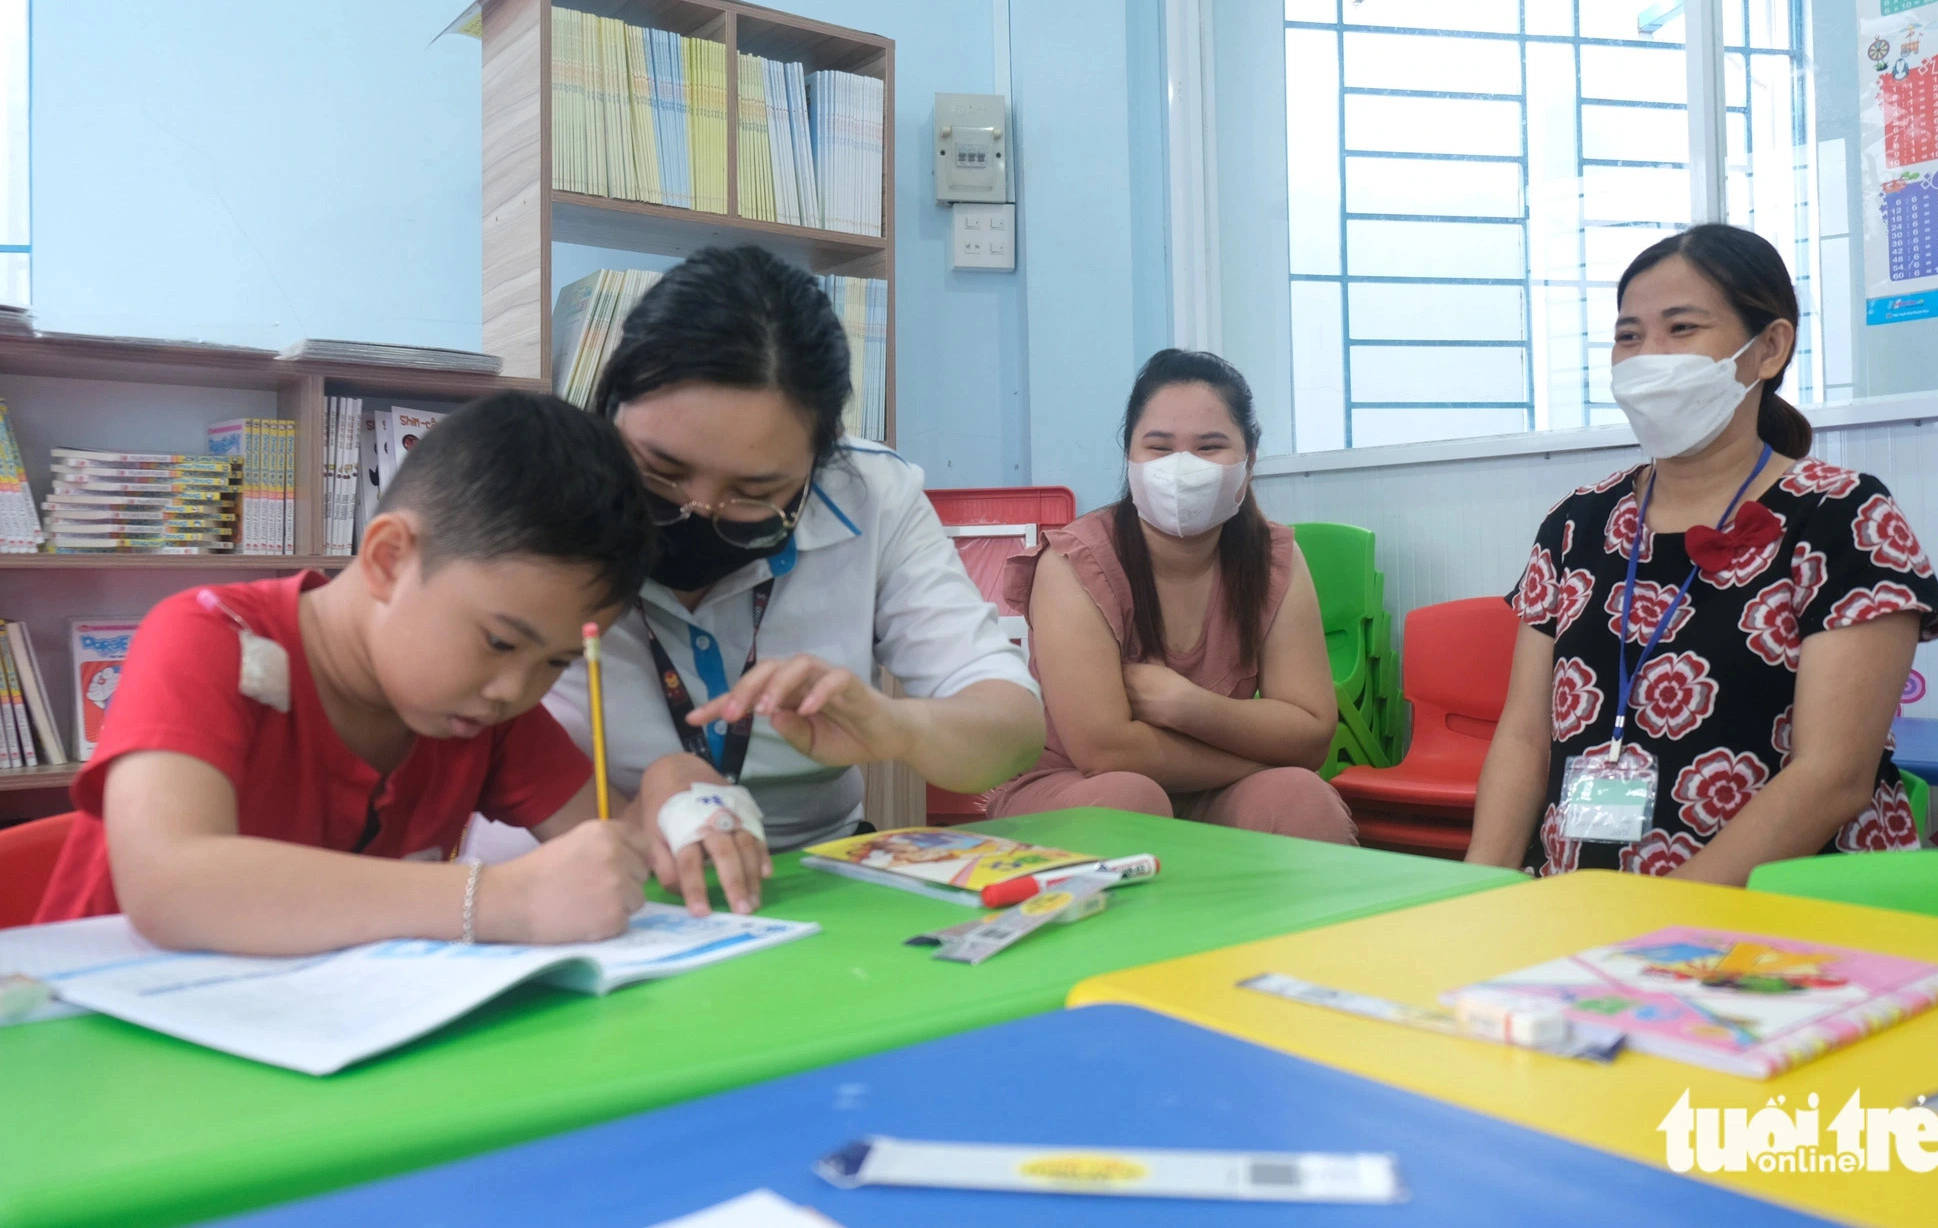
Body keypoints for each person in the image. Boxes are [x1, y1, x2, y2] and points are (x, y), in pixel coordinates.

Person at [34, 393, 675, 953]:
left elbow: (612, 854)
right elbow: (171, 885)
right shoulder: (208, 638)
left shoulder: (483, 711)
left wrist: (673, 795)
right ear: (389, 559)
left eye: (557, 663)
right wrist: (500, 899)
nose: (515, 689)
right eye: (500, 641)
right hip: (98, 1040)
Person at [515, 245, 1045, 916]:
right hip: (578, 881)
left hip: (809, 886)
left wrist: (897, 727)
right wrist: (648, 806)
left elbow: (1014, 726)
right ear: (610, 408)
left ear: (821, 463)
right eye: (660, 472)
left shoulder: (871, 494)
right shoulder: (533, 499)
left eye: (753, 492)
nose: (698, 511)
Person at [1464, 225, 1938, 884]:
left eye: (1681, 328)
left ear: (1769, 348)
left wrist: (1671, 918)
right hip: (1578, 915)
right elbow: (1523, 737)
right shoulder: (1574, 525)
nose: (1647, 357)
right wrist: (1478, 889)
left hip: (1792, 925)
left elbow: (1833, 774)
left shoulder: (1840, 517)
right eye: (1628, 336)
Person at [985, 349, 1356, 842]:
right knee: (1130, 799)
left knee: (1299, 797)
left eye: (1210, 447)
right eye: (1159, 448)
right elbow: (1106, 752)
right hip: (1074, 785)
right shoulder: (1075, 561)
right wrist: (1260, 750)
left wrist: (1190, 706)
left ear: (1249, 460)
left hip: (1211, 792)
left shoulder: (1273, 559)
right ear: (1130, 458)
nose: (1182, 467)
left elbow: (1310, 735)